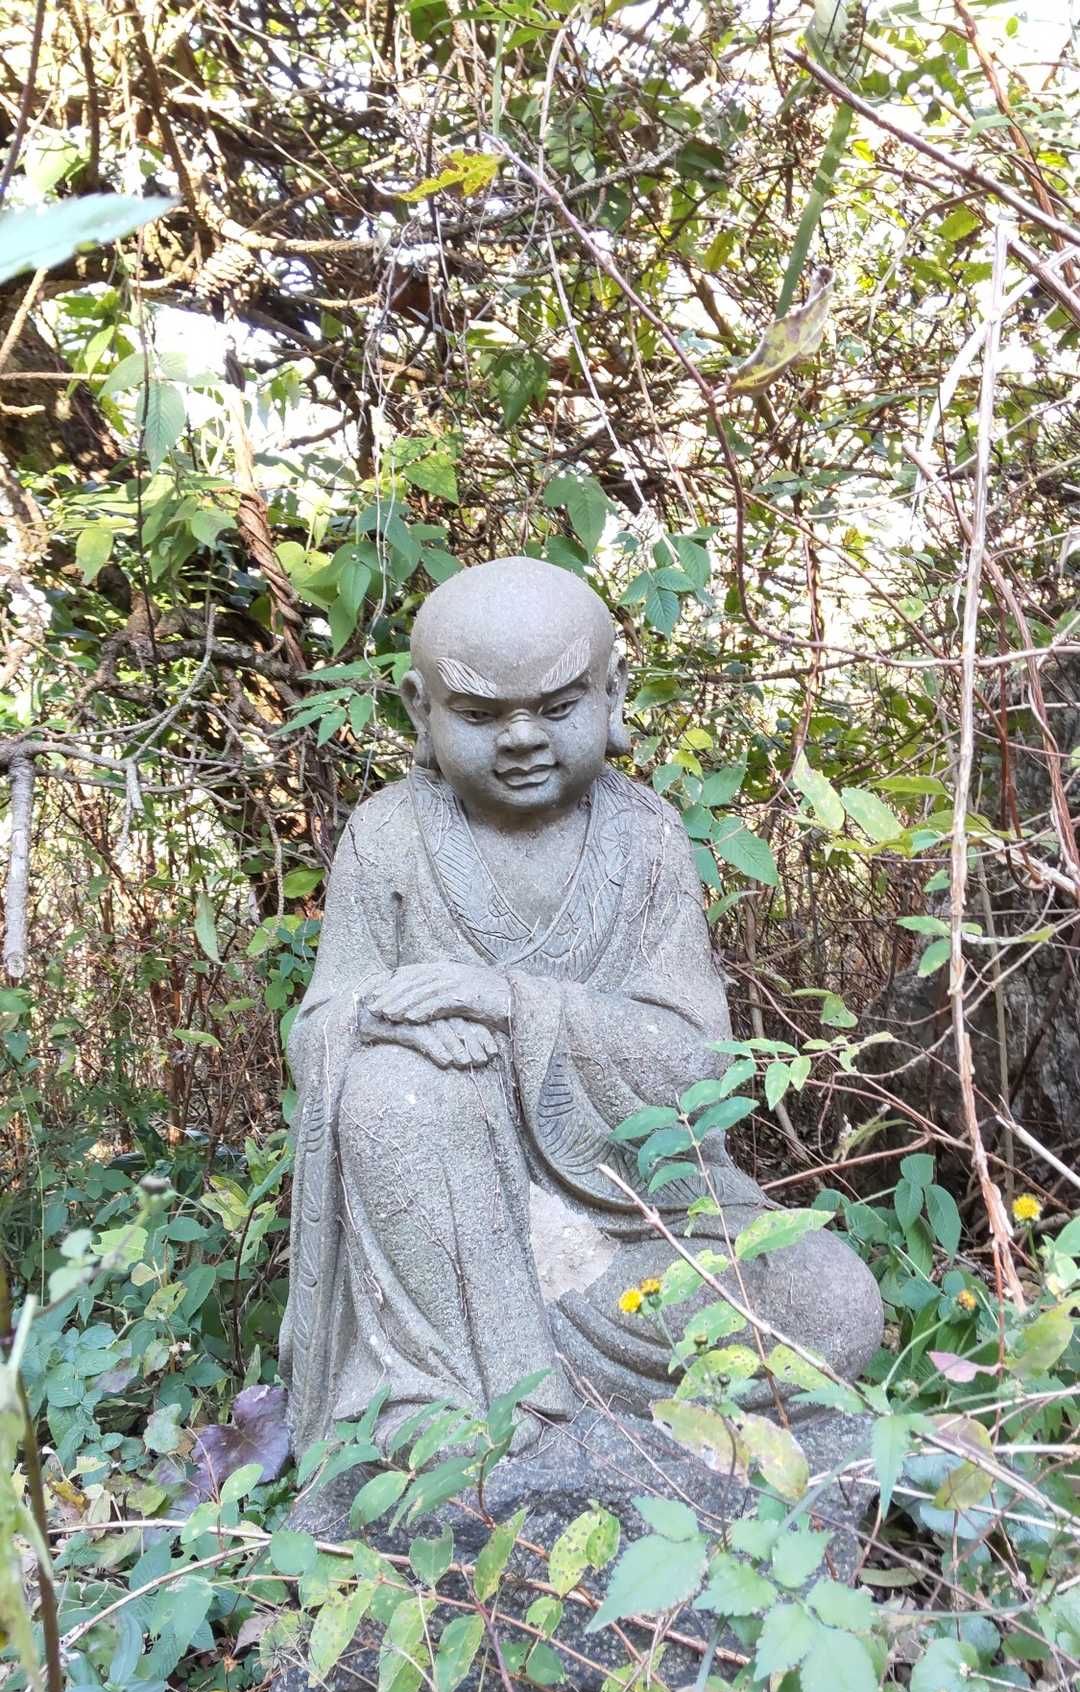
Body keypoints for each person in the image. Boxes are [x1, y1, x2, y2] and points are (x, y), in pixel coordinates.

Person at [280, 557, 882, 1455]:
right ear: (420, 710)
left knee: (833, 1303)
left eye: (559, 708)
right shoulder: (390, 836)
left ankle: (518, 1354)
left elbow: (696, 1066)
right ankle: (445, 1386)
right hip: (445, 1233)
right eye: (479, 716)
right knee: (395, 1091)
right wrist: (396, 1026)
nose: (522, 741)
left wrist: (511, 1006)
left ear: (613, 691)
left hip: (632, 1226)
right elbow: (322, 1027)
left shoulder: (645, 838)